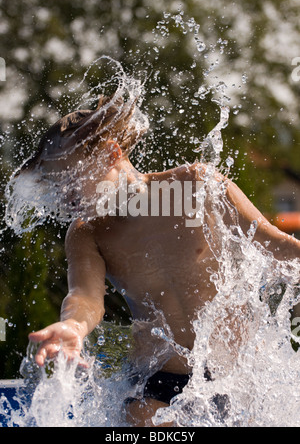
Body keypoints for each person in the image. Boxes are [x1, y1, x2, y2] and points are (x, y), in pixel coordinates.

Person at [19, 93, 300, 427]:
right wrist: (73, 326)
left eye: (72, 180)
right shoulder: (87, 234)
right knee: (138, 421)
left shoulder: (196, 185)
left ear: (112, 154)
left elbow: (275, 245)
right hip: (161, 380)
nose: (66, 196)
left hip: (241, 375)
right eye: (57, 186)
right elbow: (85, 296)